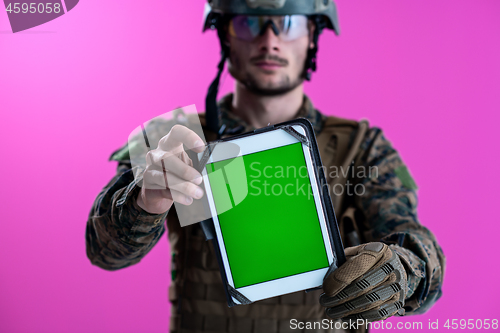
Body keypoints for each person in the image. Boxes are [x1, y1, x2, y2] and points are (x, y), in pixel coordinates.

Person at [86, 1, 445, 332]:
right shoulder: (173, 138)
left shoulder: (362, 148)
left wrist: (400, 269)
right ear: (225, 34)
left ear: (312, 38)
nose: (269, 40)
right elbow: (103, 251)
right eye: (249, 22)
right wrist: (146, 200)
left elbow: (418, 249)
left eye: (289, 23)